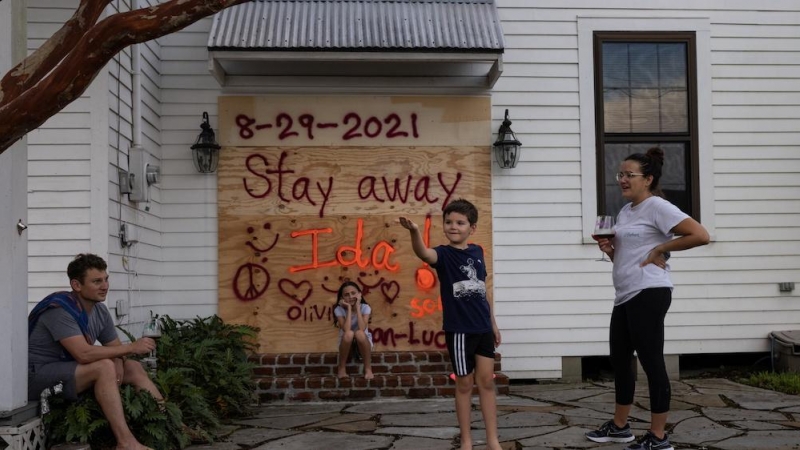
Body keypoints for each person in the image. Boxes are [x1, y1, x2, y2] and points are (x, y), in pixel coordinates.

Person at [586, 148, 709, 450]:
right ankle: (619, 427)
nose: (622, 180)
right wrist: (611, 251)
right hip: (625, 294)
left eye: (630, 175)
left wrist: (660, 250)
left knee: (652, 363)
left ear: (648, 178)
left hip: (649, 292)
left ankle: (658, 437)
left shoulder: (657, 206)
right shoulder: (627, 211)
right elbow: (627, 257)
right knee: (620, 360)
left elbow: (700, 234)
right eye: (620, 175)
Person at [28, 253, 162, 450]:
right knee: (103, 367)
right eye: (97, 281)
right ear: (77, 285)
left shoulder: (99, 310)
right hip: (37, 377)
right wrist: (132, 347)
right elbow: (83, 354)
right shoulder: (58, 310)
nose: (105, 286)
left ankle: (171, 425)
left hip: (67, 372)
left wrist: (119, 360)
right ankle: (126, 442)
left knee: (131, 366)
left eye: (106, 279)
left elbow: (115, 348)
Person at [399, 199, 503, 450]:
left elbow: (482, 290)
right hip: (459, 331)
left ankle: (492, 441)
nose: (453, 226)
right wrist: (415, 232)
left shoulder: (477, 252)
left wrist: (494, 324)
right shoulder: (443, 255)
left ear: (472, 227)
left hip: (483, 329)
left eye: (460, 222)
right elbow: (424, 253)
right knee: (465, 384)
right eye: (448, 222)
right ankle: (466, 441)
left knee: (487, 382)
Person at [333, 281, 374, 380]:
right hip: (347, 344)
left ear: (359, 294)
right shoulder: (339, 309)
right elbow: (346, 329)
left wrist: (357, 308)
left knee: (359, 333)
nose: (350, 296)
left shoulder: (365, 307)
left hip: (363, 342)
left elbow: (362, 328)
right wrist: (349, 309)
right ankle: (342, 368)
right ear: (342, 298)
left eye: (353, 293)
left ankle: (368, 369)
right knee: (349, 333)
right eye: (346, 295)